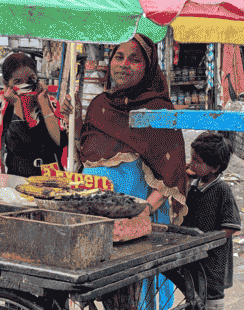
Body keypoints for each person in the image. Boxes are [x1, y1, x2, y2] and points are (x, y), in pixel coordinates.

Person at [61, 34, 189, 310]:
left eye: (134, 59)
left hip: (137, 219)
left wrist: (144, 209)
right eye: (119, 56)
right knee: (95, 288)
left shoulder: (159, 111)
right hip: (96, 216)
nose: (124, 64)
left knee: (138, 293)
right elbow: (82, 153)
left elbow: (173, 172)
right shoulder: (98, 106)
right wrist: (72, 115)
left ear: (148, 66)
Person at [181, 132, 241, 310]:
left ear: (214, 167)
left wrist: (206, 239)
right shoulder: (193, 185)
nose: (191, 164)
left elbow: (230, 227)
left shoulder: (222, 190)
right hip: (194, 258)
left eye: (197, 162)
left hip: (213, 262)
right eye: (191, 158)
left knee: (211, 300)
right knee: (193, 297)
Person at [0, 53, 67, 177]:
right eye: (18, 81)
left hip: (51, 178)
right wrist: (18, 105)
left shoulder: (50, 103)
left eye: (30, 79)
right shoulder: (2, 110)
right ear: (6, 84)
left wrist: (44, 104)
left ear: (37, 78)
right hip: (18, 179)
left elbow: (59, 141)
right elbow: (16, 146)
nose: (26, 85)